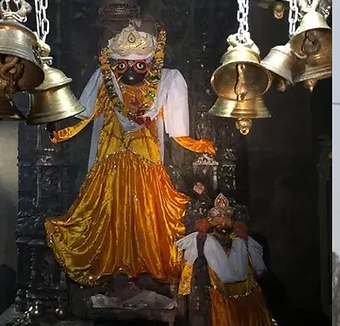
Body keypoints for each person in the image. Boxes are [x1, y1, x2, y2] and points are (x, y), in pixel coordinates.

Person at [46, 21, 215, 287]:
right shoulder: (106, 83)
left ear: (150, 65)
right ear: (113, 64)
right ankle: (110, 265)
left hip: (146, 159)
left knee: (148, 212)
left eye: (138, 65)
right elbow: (86, 115)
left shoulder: (163, 83)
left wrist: (194, 144)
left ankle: (144, 266)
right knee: (105, 209)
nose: (131, 71)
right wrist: (63, 133)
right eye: (122, 65)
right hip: (110, 157)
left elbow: (175, 126)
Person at [177, 194, 297, 326]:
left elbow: (259, 268)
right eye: (218, 219)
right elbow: (188, 264)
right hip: (222, 298)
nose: (222, 223)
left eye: (226, 218)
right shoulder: (204, 239)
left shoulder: (241, 239)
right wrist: (185, 288)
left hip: (249, 297)